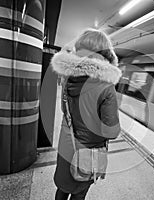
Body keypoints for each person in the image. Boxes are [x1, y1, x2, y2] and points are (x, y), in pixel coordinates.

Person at [51, 28, 122, 200]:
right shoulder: (107, 87)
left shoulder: (68, 78)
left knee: (62, 188)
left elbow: (64, 110)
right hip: (88, 151)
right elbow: (110, 132)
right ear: (107, 54)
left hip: (67, 144)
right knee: (79, 192)